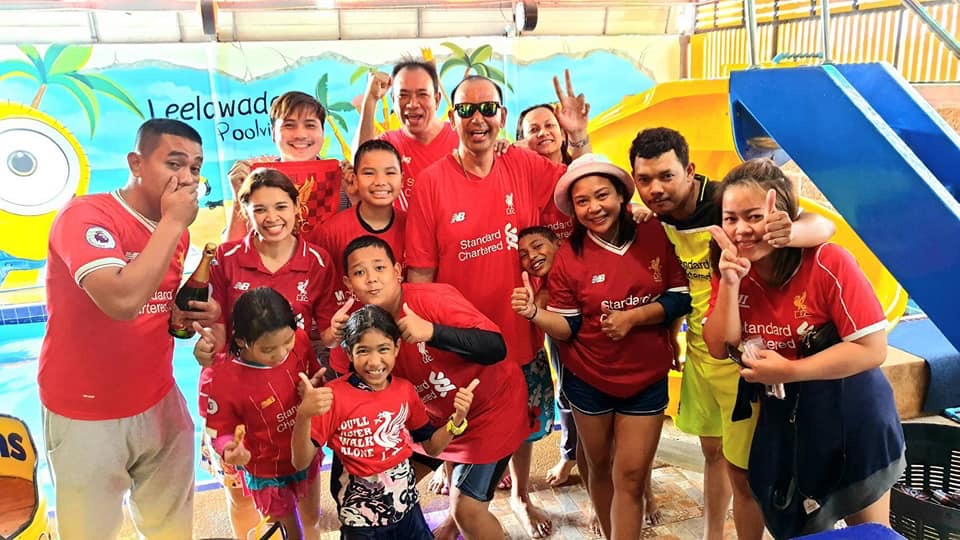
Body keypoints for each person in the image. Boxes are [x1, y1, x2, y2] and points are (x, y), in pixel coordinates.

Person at [404, 71, 591, 539]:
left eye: (487, 108)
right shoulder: (431, 183)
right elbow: (420, 276)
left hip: (520, 334)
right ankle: (457, 512)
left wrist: (577, 138)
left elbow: (584, 188)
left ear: (502, 116)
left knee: (523, 428)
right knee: (461, 425)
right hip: (460, 344)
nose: (478, 119)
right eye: (466, 110)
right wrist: (424, 345)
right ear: (452, 117)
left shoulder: (523, 165)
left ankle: (522, 495)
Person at [630, 127, 836, 540]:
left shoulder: (728, 203)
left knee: (745, 471)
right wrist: (671, 331)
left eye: (666, 176)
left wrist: (791, 233)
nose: (655, 189)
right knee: (713, 453)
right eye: (645, 179)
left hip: (744, 358)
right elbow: (677, 283)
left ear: (689, 171)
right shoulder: (656, 215)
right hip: (702, 351)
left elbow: (821, 224)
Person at [702, 159, 904, 538]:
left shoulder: (827, 261)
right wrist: (729, 283)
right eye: (731, 218)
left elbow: (872, 349)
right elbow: (718, 346)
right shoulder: (732, 267)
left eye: (754, 216)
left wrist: (791, 371)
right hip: (787, 416)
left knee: (869, 532)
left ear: (782, 217)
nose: (741, 229)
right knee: (795, 522)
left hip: (852, 414)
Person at [37, 118, 218, 539]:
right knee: (90, 532)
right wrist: (174, 223)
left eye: (195, 167)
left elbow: (153, 302)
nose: (187, 178)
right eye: (174, 164)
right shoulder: (87, 215)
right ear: (136, 163)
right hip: (86, 410)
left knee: (171, 528)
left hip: (159, 397)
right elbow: (121, 301)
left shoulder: (175, 232)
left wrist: (182, 315)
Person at [512, 154, 691, 539]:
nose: (594, 207)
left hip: (646, 378)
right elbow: (568, 328)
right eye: (582, 201)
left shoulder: (653, 232)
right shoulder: (568, 257)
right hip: (588, 380)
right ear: (573, 210)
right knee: (598, 465)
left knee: (632, 475)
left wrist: (633, 317)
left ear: (622, 195)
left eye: (602, 195)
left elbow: (680, 297)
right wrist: (534, 314)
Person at [338, 235, 529, 540]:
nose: (372, 278)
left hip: (490, 413)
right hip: (434, 424)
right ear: (349, 283)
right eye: (360, 272)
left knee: (468, 512)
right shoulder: (360, 328)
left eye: (379, 268)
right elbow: (353, 392)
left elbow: (495, 347)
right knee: (379, 486)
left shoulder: (432, 299)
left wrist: (432, 331)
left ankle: (458, 517)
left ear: (397, 271)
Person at [193, 166, 342, 537]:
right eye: (259, 209)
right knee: (242, 493)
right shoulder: (226, 258)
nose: (271, 217)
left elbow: (323, 334)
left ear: (297, 208)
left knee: (304, 491)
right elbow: (213, 322)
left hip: (290, 397)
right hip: (237, 397)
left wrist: (338, 334)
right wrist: (207, 348)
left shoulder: (317, 261)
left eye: (280, 206)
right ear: (245, 212)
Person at [291, 304, 478, 539]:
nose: (374, 361)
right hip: (360, 520)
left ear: (396, 348)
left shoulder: (405, 390)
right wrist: (304, 415)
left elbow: (432, 447)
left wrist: (456, 420)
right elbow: (300, 462)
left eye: (383, 349)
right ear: (348, 353)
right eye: (363, 351)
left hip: (407, 508)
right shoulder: (333, 395)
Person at [197, 287, 323, 540]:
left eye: (286, 342)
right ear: (241, 340)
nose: (281, 354)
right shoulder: (223, 378)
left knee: (312, 519)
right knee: (288, 534)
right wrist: (230, 449)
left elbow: (314, 373)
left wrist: (314, 386)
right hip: (267, 471)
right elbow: (221, 430)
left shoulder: (300, 341)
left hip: (304, 452)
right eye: (268, 349)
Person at [225, 90, 349, 241]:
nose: (300, 135)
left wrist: (355, 195)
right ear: (273, 133)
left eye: (310, 125)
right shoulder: (255, 183)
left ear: (322, 132)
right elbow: (230, 251)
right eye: (289, 125)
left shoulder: (343, 182)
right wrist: (238, 198)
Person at [306, 139, 406, 314]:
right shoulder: (329, 232)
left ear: (402, 179)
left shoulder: (412, 226)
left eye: (390, 172)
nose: (380, 181)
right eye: (369, 173)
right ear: (355, 179)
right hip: (346, 327)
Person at [353, 59, 459, 210]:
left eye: (422, 94)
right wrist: (370, 100)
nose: (412, 104)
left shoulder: (462, 139)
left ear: (437, 100)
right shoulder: (388, 143)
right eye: (403, 95)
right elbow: (361, 165)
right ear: (393, 100)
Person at [515, 103, 574, 240]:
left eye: (549, 125)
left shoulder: (579, 170)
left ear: (563, 134)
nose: (543, 133)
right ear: (521, 142)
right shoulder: (517, 186)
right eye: (533, 129)